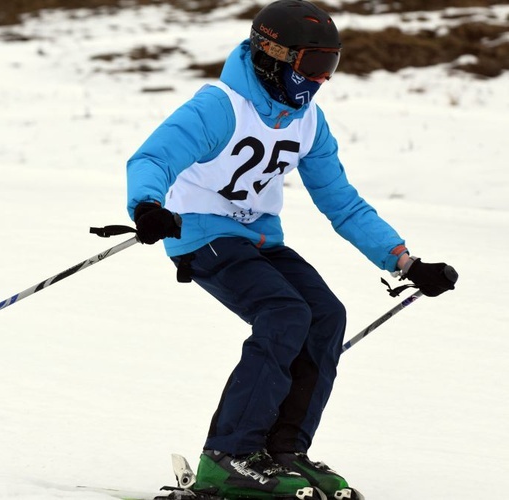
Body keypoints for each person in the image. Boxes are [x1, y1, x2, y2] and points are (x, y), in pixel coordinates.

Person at [125, 1, 457, 499]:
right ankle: (228, 456)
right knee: (283, 313)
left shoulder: (308, 122)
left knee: (325, 315)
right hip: (198, 233)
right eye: (311, 65)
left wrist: (404, 260)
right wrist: (148, 205)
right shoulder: (220, 106)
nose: (320, 79)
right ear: (271, 55)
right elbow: (153, 156)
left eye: (330, 66)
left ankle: (283, 451)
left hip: (258, 237)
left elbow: (342, 202)